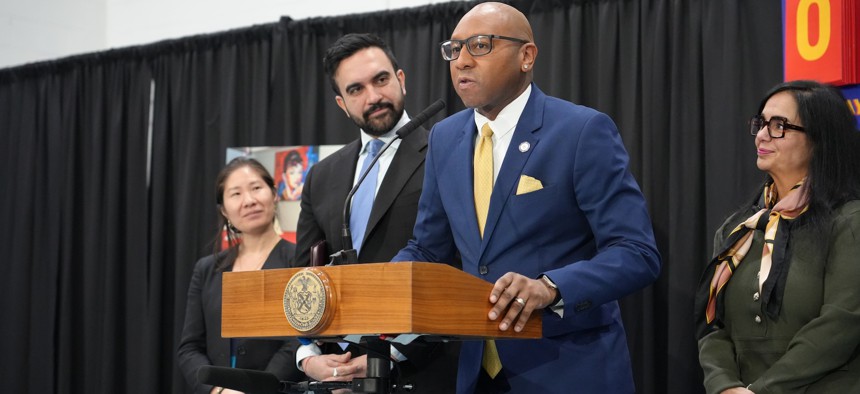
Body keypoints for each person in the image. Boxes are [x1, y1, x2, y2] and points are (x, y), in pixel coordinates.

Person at [391, 3, 661, 393]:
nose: (462, 61)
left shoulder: (581, 130)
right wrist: (379, 285)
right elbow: (429, 250)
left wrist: (551, 287)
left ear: (527, 56)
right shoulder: (444, 138)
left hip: (567, 368)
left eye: (480, 45)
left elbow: (637, 252)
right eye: (454, 48)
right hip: (477, 372)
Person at [293, 33, 459, 393]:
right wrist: (308, 355)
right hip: (341, 378)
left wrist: (392, 353)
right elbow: (300, 278)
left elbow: (459, 267)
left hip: (426, 369)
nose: (373, 97)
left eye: (381, 80)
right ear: (342, 103)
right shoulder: (322, 175)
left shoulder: (447, 152)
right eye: (356, 89)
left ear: (401, 79)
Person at [695, 80, 860, 394]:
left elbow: (843, 324)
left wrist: (763, 390)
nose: (761, 135)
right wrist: (724, 386)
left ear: (820, 139)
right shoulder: (737, 229)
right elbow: (712, 326)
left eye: (779, 125)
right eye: (761, 123)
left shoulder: (850, 221)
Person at [178, 157, 304, 394]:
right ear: (224, 210)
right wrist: (217, 391)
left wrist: (255, 390)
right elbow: (190, 348)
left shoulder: (299, 260)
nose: (249, 201)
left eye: (256, 188)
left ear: (274, 194)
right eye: (236, 194)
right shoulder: (206, 269)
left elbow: (300, 338)